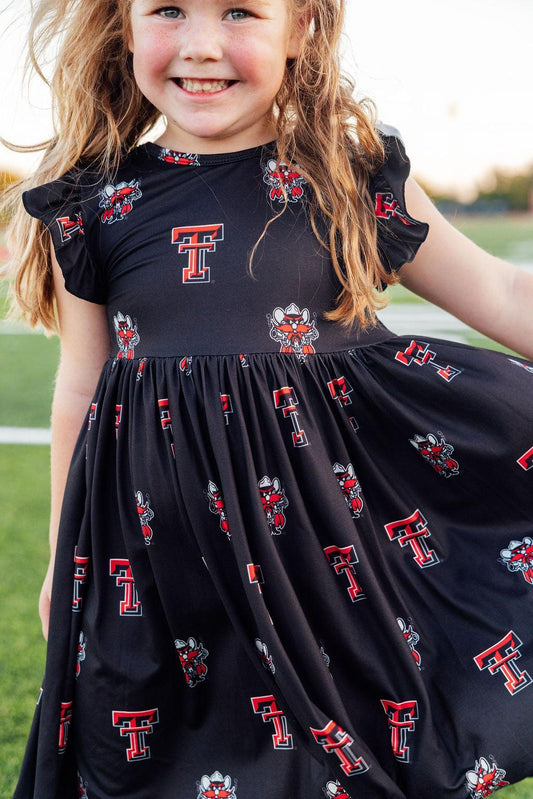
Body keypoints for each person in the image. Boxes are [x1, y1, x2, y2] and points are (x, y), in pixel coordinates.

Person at [3, 0, 533, 797]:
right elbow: (83, 384)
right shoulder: (93, 202)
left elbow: (499, 291)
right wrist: (61, 558)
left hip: (319, 564)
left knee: (332, 765)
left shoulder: (346, 178)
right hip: (157, 564)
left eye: (241, 11)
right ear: (124, 26)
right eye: (169, 11)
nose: (201, 45)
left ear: (304, 29)